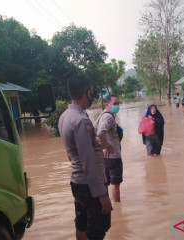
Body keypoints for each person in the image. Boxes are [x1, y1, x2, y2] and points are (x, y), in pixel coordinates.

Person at [58, 75, 112, 240]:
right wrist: (101, 194)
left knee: (81, 223)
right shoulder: (81, 120)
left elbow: (71, 155)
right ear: (88, 93)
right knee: (98, 228)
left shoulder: (64, 117)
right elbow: (88, 162)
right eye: (92, 93)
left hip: (77, 183)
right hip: (90, 186)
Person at [94, 94, 123, 202]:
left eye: (118, 103)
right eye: (114, 103)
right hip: (113, 157)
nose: (117, 106)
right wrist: (106, 146)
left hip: (105, 156)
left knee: (105, 183)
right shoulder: (109, 117)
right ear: (107, 104)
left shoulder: (102, 115)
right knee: (115, 184)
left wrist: (101, 147)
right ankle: (117, 206)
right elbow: (100, 132)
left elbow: (94, 130)